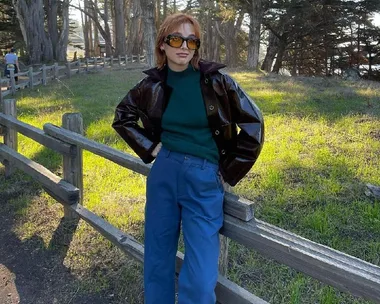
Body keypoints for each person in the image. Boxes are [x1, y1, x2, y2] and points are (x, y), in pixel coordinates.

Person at [112, 13, 264, 304]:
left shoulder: (217, 82)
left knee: (201, 265)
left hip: (204, 176)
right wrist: (152, 149)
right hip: (164, 172)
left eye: (192, 40)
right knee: (158, 253)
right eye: (176, 39)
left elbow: (254, 123)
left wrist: (229, 169)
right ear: (163, 45)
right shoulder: (151, 85)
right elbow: (123, 118)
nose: (184, 46)